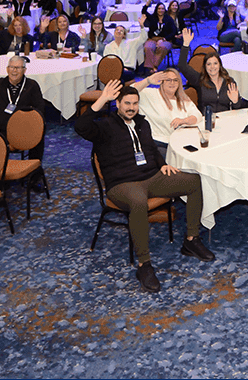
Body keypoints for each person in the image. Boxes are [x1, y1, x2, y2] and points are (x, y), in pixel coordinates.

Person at [74, 80, 214, 293]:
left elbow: (150, 149)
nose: (131, 107)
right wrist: (102, 99)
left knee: (193, 181)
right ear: (118, 104)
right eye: (126, 103)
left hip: (152, 177)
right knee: (138, 201)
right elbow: (80, 127)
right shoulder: (104, 126)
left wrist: (163, 165)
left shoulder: (142, 123)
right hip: (123, 184)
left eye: (135, 103)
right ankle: (144, 265)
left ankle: (191, 240)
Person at [178, 28, 248, 114]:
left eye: (215, 63)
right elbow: (182, 65)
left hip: (225, 119)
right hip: (206, 119)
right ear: (205, 67)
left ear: (220, 65)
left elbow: (237, 107)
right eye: (208, 64)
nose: (212, 67)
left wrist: (236, 102)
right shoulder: (200, 80)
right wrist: (186, 44)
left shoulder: (229, 82)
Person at [133, 69, 201, 159]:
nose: (172, 83)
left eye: (175, 80)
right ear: (162, 82)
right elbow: (129, 91)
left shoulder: (182, 98)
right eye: (168, 80)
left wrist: (183, 120)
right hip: (157, 142)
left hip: (179, 142)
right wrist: (148, 80)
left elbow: (197, 116)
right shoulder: (150, 94)